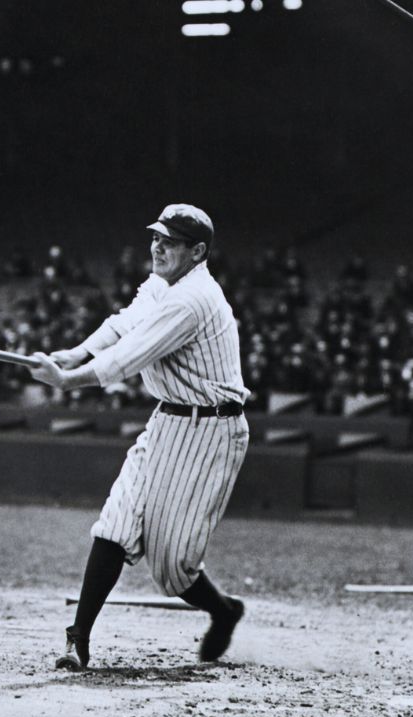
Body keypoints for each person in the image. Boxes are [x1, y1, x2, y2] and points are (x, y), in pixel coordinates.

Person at [29, 204, 250, 670]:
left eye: (169, 241)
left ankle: (224, 611)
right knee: (116, 521)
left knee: (172, 569)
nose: (157, 246)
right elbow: (123, 324)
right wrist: (75, 353)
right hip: (169, 419)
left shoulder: (194, 300)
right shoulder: (163, 284)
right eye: (156, 237)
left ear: (198, 252)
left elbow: (127, 358)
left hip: (212, 431)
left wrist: (68, 382)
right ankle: (78, 639)